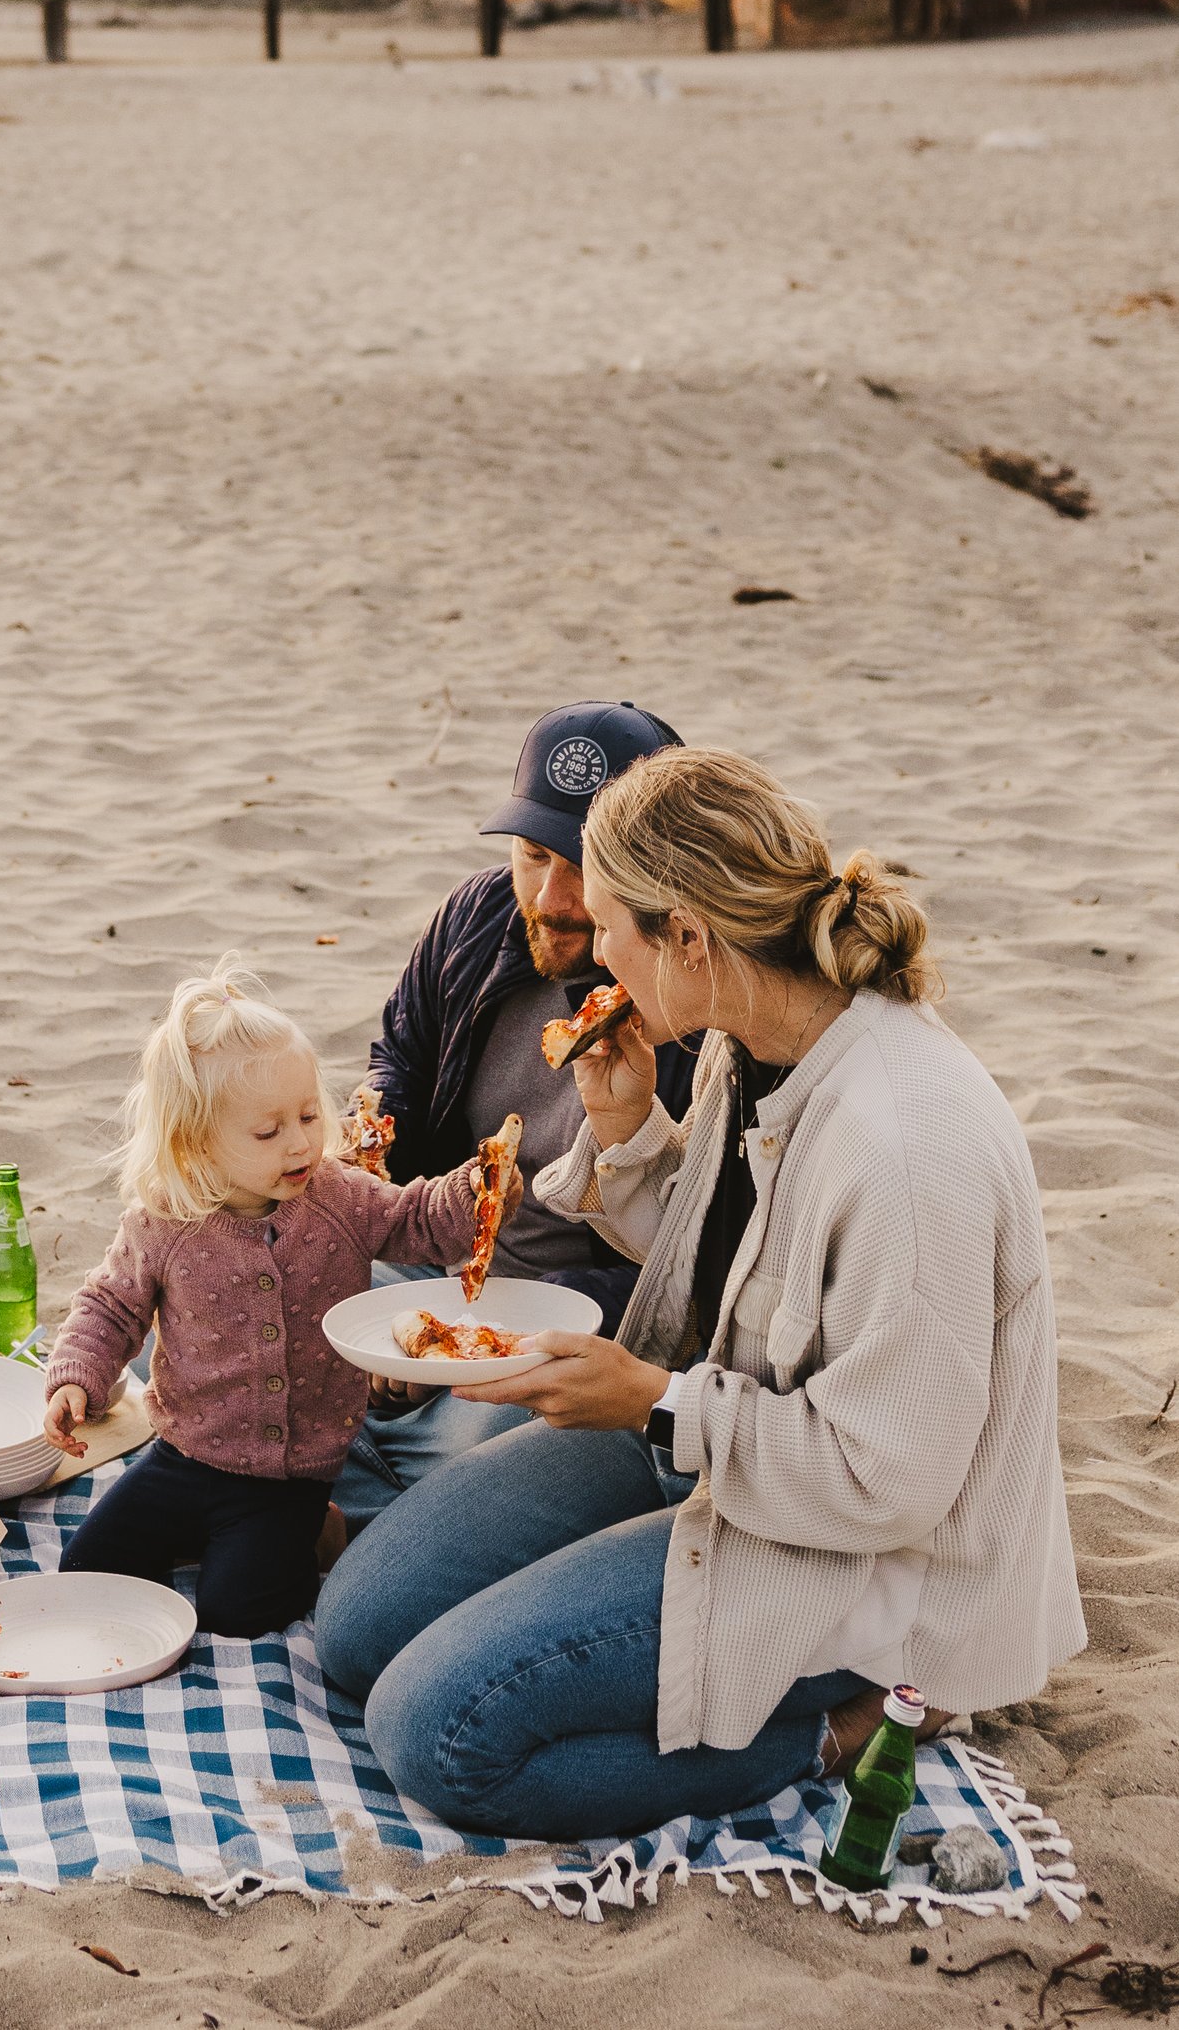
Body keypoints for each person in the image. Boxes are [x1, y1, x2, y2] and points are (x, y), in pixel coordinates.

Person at [313, 748, 1083, 1839]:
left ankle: (849, 1724)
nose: (594, 951)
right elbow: (742, 1269)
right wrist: (629, 1129)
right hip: (716, 1439)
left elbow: (891, 1481)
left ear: (686, 937)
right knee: (354, 1630)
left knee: (433, 1733)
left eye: (609, 924)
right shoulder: (751, 1033)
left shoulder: (905, 1148)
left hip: (863, 1551)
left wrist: (652, 1403)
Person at [40, 964, 487, 1636]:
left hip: (291, 1474)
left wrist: (473, 1189)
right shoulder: (166, 1219)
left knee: (237, 1611)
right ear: (196, 1142)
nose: (301, 1141)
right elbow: (111, 1306)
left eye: (308, 1115)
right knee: (87, 1569)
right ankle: (222, 1540)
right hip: (184, 1454)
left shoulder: (338, 1198)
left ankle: (316, 1533)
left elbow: (416, 1222)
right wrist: (76, 1378)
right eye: (268, 1131)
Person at [336, 702, 698, 1521]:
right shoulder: (478, 914)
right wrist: (375, 1129)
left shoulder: (689, 993)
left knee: (472, 1450)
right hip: (440, 1257)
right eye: (533, 855)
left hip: (581, 1314)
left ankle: (368, 1492)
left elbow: (693, 1268)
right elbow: (398, 1052)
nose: (551, 896)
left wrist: (498, 1323)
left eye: (586, 866)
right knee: (231, 1308)